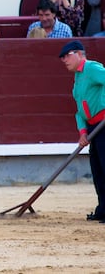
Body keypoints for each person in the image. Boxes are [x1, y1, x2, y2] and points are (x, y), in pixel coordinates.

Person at [58, 40, 105, 223]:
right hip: (94, 127)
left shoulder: (92, 68)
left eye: (67, 56)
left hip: (103, 123)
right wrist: (83, 133)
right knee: (98, 169)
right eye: (62, 58)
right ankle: (102, 210)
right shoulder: (77, 79)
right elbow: (80, 111)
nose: (64, 60)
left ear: (79, 54)